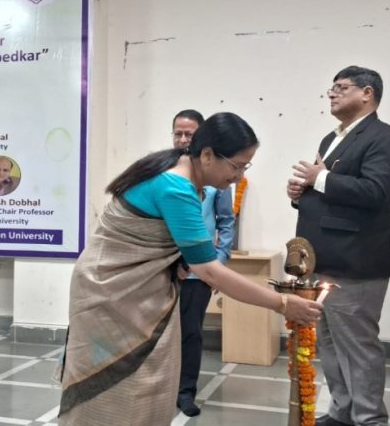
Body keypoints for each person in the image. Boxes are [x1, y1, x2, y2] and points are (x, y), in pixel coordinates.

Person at [59, 112, 323, 426]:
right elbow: (209, 271)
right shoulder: (176, 187)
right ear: (207, 155)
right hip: (112, 293)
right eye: (237, 165)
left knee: (146, 382)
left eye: (245, 167)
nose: (239, 176)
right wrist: (281, 303)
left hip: (138, 292)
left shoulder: (181, 173)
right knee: (116, 386)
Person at [287, 66, 390, 426]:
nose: (332, 93)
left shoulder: (384, 137)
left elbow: (375, 192)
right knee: (328, 342)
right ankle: (342, 412)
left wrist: (319, 178)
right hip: (321, 259)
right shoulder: (332, 138)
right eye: (332, 88)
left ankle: (369, 418)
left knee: (357, 346)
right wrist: (301, 194)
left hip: (356, 260)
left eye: (341, 87)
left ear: (367, 93)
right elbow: (330, 192)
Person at [168, 109, 235, 417]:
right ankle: (161, 387)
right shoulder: (166, 173)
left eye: (190, 134)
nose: (183, 139)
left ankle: (185, 392)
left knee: (191, 333)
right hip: (165, 270)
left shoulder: (216, 177)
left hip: (199, 273)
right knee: (160, 333)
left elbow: (227, 223)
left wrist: (217, 265)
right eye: (178, 133)